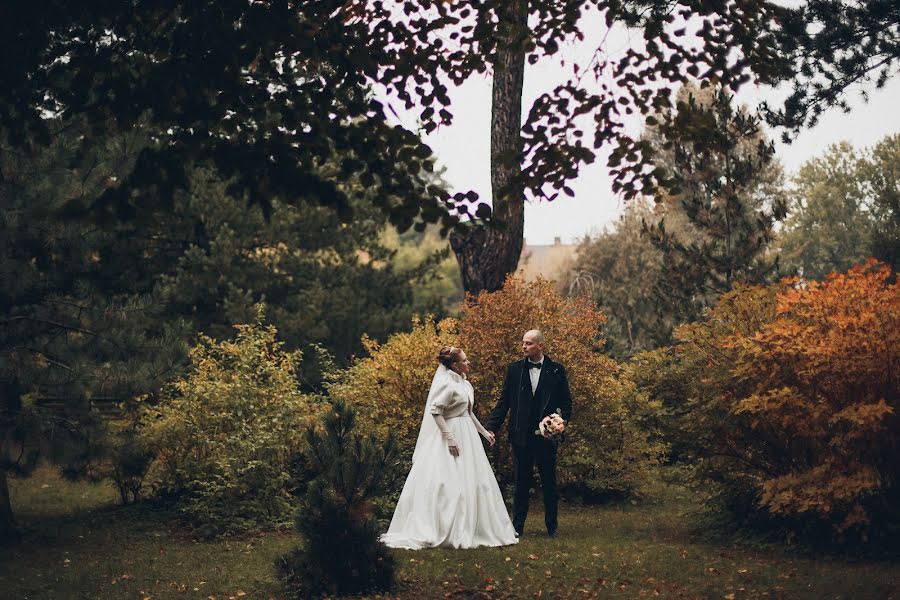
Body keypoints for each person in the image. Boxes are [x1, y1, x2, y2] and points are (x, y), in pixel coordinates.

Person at [380, 346, 519, 549]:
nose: (468, 363)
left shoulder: (466, 384)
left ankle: (476, 527)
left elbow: (468, 413)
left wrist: (484, 432)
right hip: (451, 433)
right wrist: (450, 438)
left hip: (468, 435)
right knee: (448, 481)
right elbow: (436, 411)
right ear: (454, 365)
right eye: (464, 360)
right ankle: (447, 526)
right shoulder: (447, 385)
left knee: (474, 479)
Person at [487, 329, 572, 538]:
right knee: (521, 484)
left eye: (529, 343)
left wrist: (558, 422)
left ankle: (552, 527)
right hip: (521, 437)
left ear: (540, 346)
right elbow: (504, 402)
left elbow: (566, 403)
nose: (524, 347)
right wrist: (491, 427)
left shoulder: (557, 370)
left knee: (549, 484)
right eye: (523, 343)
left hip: (547, 438)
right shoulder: (514, 370)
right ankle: (517, 527)